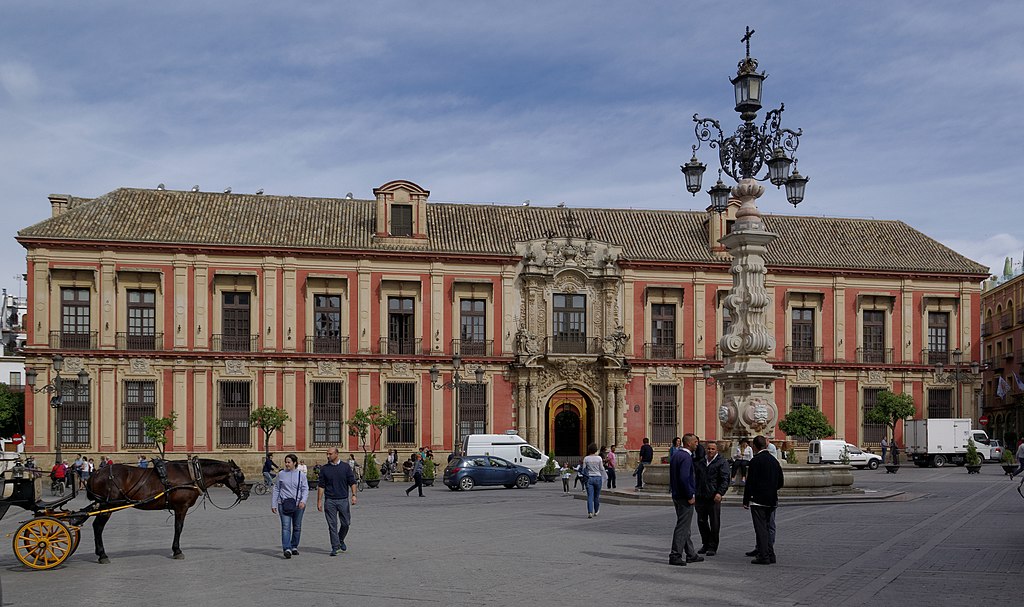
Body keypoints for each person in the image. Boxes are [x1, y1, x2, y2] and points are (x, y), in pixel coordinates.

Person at [743, 435, 785, 565]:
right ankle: (771, 554)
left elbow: (750, 482)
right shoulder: (774, 460)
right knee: (767, 528)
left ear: (755, 446)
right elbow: (781, 481)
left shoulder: (755, 461)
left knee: (760, 529)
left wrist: (746, 499)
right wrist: (772, 490)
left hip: (758, 500)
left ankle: (763, 556)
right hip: (772, 499)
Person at [317, 447, 357, 557]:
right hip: (329, 500)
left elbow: (352, 482)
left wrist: (354, 495)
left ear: (336, 454)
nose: (328, 456)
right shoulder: (324, 469)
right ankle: (335, 547)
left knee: (346, 523)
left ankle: (340, 539)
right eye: (327, 454)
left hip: (343, 499)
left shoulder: (345, 467)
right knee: (332, 525)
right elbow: (321, 486)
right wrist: (319, 501)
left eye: (330, 454)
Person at [668, 434, 702, 566]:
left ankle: (691, 553)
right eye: (695, 442)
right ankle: (675, 554)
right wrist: (690, 495)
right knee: (682, 527)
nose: (697, 444)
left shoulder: (676, 455)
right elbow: (684, 478)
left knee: (685, 525)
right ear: (688, 443)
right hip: (684, 497)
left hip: (677, 495)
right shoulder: (686, 457)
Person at [695, 441, 730, 556]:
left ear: (717, 450)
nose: (710, 451)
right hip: (701, 496)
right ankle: (705, 543)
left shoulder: (721, 462)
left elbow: (725, 479)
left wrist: (720, 493)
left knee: (714, 522)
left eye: (712, 449)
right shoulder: (701, 462)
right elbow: (696, 477)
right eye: (708, 449)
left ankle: (712, 546)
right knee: (701, 521)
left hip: (713, 496)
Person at [272, 453, 309, 559]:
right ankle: (286, 548)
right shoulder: (281, 474)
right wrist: (274, 504)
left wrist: (303, 501)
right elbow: (277, 489)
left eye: (289, 462)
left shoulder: (301, 475)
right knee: (286, 527)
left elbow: (305, 489)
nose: (287, 464)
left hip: (298, 505)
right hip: (283, 504)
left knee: (297, 527)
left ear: (294, 463)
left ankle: (294, 546)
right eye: (286, 462)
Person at [582, 443, 606, 518]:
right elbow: (602, 469)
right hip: (598, 477)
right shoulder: (599, 458)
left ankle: (590, 512)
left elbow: (584, 469)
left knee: (590, 496)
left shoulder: (586, 458)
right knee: (596, 496)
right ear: (595, 450)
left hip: (589, 478)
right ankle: (596, 510)